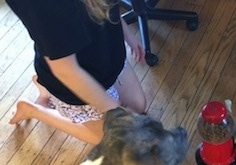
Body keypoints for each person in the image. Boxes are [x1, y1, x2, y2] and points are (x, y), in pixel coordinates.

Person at [6, 0, 147, 144]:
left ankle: (42, 84)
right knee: (117, 139)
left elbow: (105, 5)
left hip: (106, 54)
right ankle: (33, 110)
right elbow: (66, 70)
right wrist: (115, 113)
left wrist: (127, 34)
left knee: (138, 106)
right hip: (72, 80)